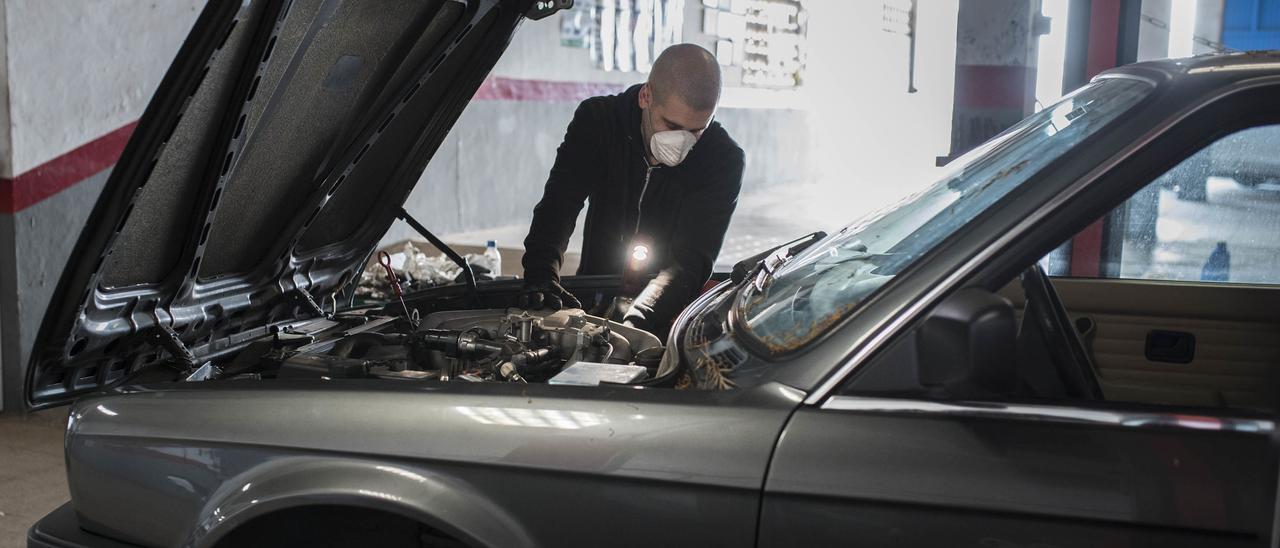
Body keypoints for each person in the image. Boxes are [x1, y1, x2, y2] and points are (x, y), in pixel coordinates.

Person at [519, 44, 745, 334]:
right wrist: (541, 274)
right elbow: (560, 204)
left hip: (664, 313)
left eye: (696, 131)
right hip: (593, 293)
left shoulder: (722, 159)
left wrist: (640, 322)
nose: (683, 142)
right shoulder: (599, 121)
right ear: (646, 96)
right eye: (672, 125)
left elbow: (691, 259)